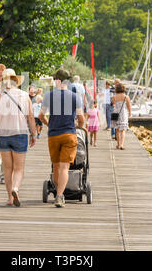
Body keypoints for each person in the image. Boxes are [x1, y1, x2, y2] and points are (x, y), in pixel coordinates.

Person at [38, 68, 85, 208]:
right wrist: (77, 126)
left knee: (56, 167)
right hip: (69, 133)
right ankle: (59, 196)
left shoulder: (48, 95)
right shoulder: (75, 97)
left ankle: (60, 193)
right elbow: (81, 118)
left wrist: (48, 124)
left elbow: (41, 116)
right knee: (65, 167)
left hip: (53, 134)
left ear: (57, 80)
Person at [0, 69, 36, 206]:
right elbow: (31, 117)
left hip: (3, 135)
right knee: (19, 168)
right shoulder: (24, 95)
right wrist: (33, 134)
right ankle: (16, 188)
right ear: (16, 81)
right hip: (20, 134)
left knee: (8, 168)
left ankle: (10, 198)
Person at [111, 83, 131, 150]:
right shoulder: (126, 97)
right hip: (123, 114)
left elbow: (113, 105)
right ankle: (122, 145)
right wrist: (130, 112)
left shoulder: (114, 97)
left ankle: (118, 144)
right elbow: (128, 106)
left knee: (117, 130)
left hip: (115, 113)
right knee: (123, 130)